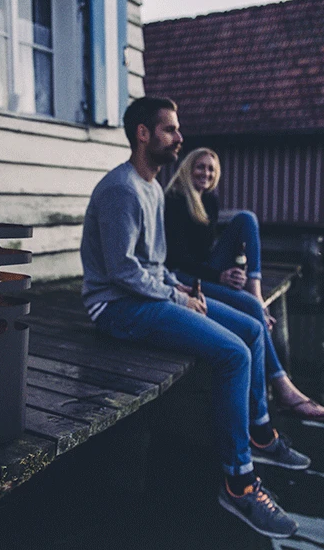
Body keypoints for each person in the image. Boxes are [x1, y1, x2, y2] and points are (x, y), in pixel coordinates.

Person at [80, 97, 310, 539]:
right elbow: (122, 271)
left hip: (147, 296)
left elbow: (156, 264)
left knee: (250, 328)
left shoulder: (150, 187)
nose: (179, 138)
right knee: (234, 355)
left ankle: (260, 434)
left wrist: (182, 289)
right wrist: (176, 297)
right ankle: (238, 483)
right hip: (116, 308)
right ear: (143, 134)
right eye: (170, 129)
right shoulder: (121, 190)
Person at [164, 148, 324, 422]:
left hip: (203, 269)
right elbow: (177, 258)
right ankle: (282, 390)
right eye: (200, 167)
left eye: (211, 169)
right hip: (180, 276)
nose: (206, 173)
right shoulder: (175, 200)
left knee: (246, 218)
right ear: (188, 168)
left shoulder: (209, 200)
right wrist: (219, 277)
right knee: (250, 309)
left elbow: (206, 251)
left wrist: (232, 271)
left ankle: (255, 291)